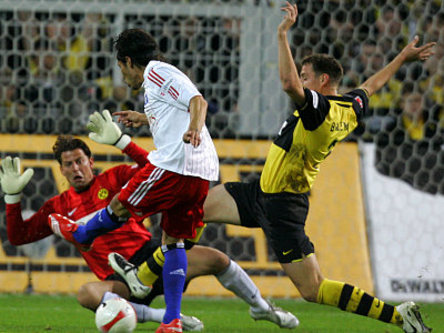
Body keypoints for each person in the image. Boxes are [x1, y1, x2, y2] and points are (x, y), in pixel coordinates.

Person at [116, 2, 435, 333]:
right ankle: (142, 277)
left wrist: (283, 35)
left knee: (313, 289)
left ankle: (399, 316)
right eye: (301, 73)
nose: (301, 78)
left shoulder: (320, 111)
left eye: (306, 75)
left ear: (323, 81)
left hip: (283, 206)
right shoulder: (350, 106)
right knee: (192, 208)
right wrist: (401, 58)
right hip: (260, 191)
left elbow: (287, 83)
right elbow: (371, 86)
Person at [44, 28, 293, 333]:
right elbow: (175, 109)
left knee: (120, 203)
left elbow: (197, 102)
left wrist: (194, 129)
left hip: (178, 164)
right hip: (200, 172)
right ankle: (171, 320)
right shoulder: (155, 87)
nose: (122, 76)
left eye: (121, 68)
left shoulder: (157, 73)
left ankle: (83, 233)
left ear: (128, 61)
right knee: (172, 243)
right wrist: (145, 118)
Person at [0, 134, 298, 331]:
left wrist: (123, 141)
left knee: (218, 259)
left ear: (91, 162)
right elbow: (18, 236)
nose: (76, 168)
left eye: (80, 161)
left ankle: (262, 308)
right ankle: (168, 317)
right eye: (69, 164)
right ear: (61, 171)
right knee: (87, 293)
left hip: (152, 256)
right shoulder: (58, 205)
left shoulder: (115, 176)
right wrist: (12, 199)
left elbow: (155, 168)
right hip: (120, 281)